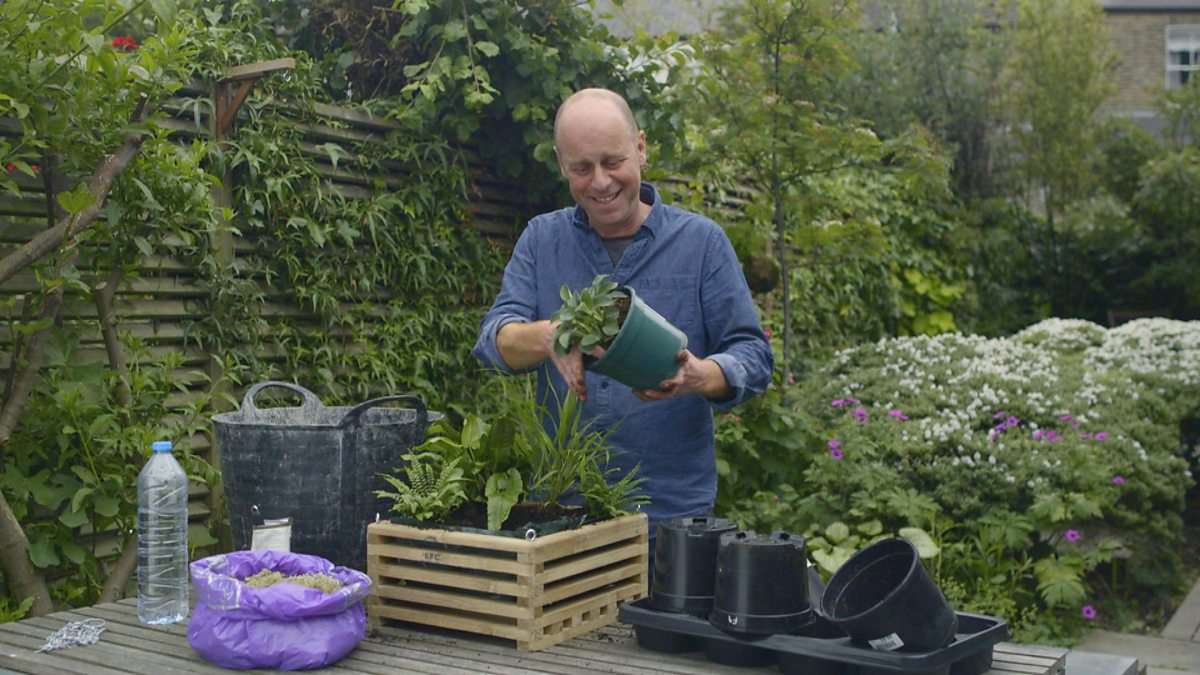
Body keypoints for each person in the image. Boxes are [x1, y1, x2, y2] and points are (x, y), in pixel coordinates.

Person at [472, 87, 773, 565]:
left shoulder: (701, 244)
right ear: (560, 164)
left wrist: (702, 375)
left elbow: (753, 356)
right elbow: (494, 339)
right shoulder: (541, 240)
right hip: (563, 513)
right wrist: (552, 336)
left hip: (672, 521)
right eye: (581, 168)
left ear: (641, 148)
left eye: (613, 161)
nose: (600, 182)